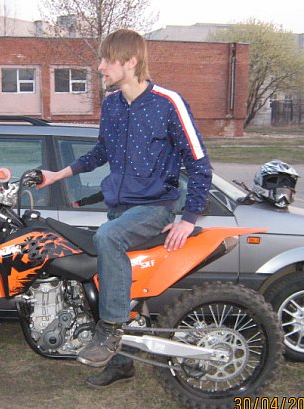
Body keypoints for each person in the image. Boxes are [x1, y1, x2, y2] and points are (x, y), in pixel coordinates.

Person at [38, 29, 212, 387]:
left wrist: (188, 218)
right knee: (120, 281)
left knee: (108, 238)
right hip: (120, 209)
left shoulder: (168, 103)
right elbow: (101, 152)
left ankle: (110, 331)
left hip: (155, 208)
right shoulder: (113, 105)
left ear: (130, 62)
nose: (100, 67)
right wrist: (58, 175)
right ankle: (122, 364)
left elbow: (198, 163)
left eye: (106, 60)